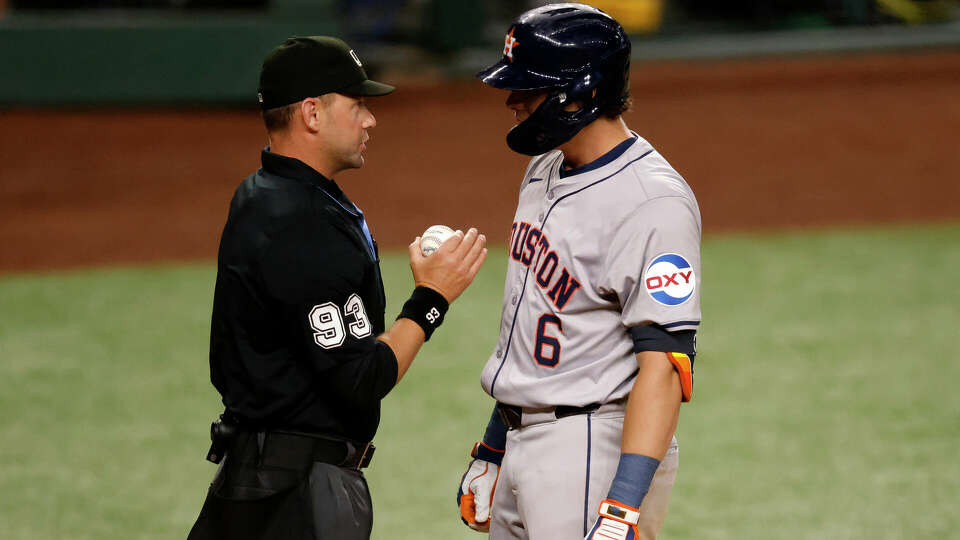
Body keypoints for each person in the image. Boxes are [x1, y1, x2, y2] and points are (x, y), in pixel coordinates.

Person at [187, 36, 487, 540]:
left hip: (257, 479)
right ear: (311, 113)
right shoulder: (301, 221)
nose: (370, 120)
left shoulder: (265, 191)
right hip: (294, 497)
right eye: (358, 105)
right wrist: (432, 299)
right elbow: (363, 380)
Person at [455, 5, 701, 540]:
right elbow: (536, 327)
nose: (513, 101)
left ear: (580, 92)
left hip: (592, 450)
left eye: (529, 89)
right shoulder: (543, 167)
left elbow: (664, 363)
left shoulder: (652, 203)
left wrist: (624, 506)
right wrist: (496, 445)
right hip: (526, 438)